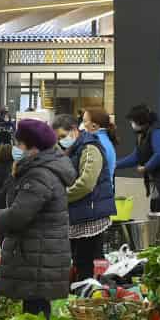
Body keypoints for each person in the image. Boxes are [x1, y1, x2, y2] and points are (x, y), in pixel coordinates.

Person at [0, 120, 74, 318]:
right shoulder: (44, 168)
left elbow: (19, 215)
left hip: (37, 256)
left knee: (35, 317)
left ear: (33, 147)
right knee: (36, 313)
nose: (16, 148)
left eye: (19, 144)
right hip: (39, 254)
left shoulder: (39, 175)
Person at [53, 113, 114, 280]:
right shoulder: (74, 148)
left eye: (63, 136)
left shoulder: (90, 148)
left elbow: (86, 183)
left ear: (74, 130)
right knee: (79, 260)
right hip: (81, 212)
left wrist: (61, 197)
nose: (61, 141)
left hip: (91, 214)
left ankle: (85, 296)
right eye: (58, 138)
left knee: (84, 261)